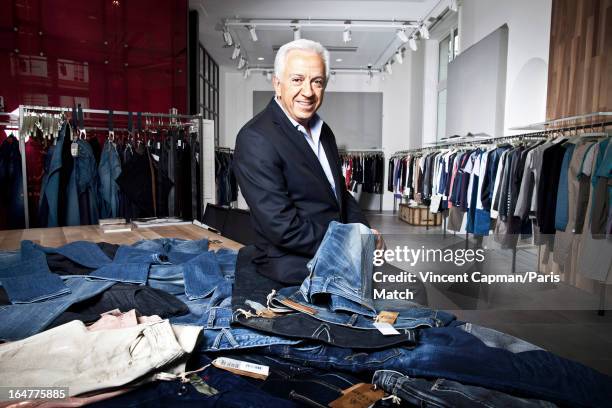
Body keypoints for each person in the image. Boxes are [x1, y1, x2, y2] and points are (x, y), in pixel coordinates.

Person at [233, 39, 378, 284]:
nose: (308, 92)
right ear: (277, 84)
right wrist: (349, 242)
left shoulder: (325, 131)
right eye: (297, 80)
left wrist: (365, 233)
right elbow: (282, 226)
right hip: (295, 271)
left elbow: (339, 193)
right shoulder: (255, 138)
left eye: (317, 82)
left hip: (339, 258)